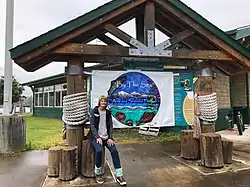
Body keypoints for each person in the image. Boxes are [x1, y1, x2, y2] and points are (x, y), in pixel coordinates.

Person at [90, 95, 126, 186]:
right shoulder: (94, 111)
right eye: (102, 101)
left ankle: (119, 175)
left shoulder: (108, 113)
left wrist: (110, 137)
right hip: (96, 137)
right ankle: (98, 173)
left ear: (107, 103)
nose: (104, 103)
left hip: (107, 138)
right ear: (99, 102)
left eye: (105, 101)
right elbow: (92, 126)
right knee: (99, 151)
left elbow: (110, 125)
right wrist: (97, 137)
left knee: (114, 151)